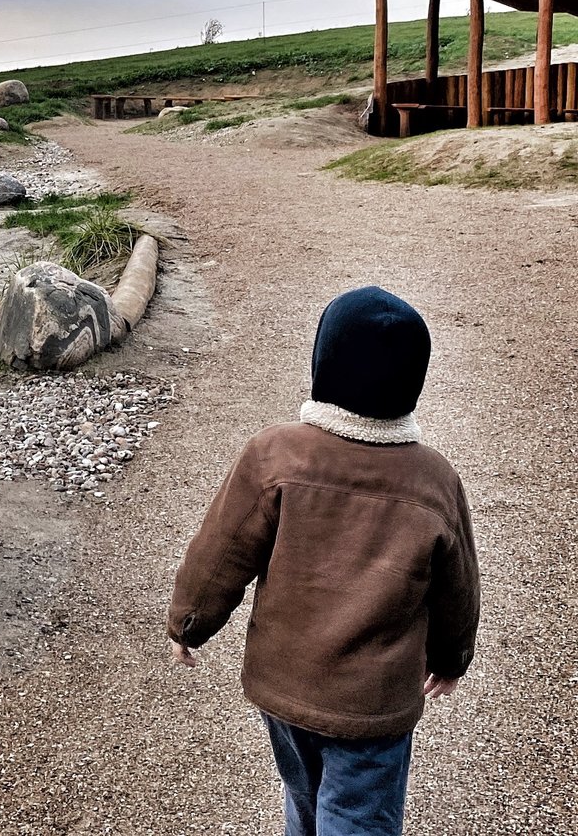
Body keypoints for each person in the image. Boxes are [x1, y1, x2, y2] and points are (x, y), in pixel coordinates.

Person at [167, 285, 480, 836]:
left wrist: (190, 623)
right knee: (358, 815)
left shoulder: (275, 454)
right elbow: (459, 586)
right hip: (373, 702)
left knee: (304, 796)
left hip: (285, 684)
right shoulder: (434, 480)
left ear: (322, 361)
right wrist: (451, 657)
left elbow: (222, 552)